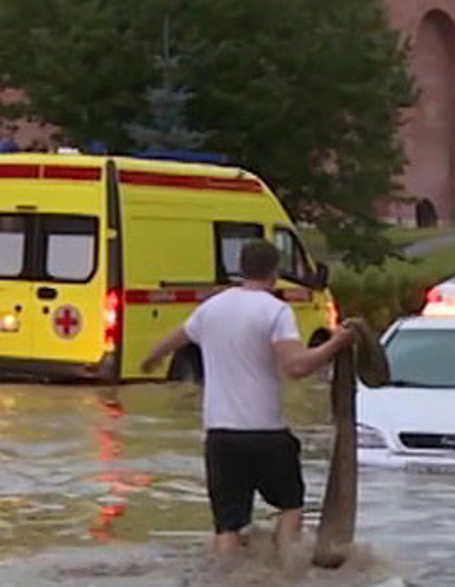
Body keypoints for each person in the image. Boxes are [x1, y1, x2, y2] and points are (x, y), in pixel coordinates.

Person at [141, 239, 359, 557]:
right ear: (275, 271)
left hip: (220, 436)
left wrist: (153, 357)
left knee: (227, 526)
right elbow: (296, 367)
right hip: (266, 433)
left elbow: (180, 334)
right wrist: (336, 344)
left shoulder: (212, 307)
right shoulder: (275, 311)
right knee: (290, 506)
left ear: (240, 268)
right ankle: (287, 576)